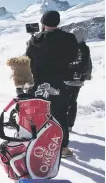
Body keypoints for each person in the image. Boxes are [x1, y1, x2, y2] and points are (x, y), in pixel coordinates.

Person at [25, 10, 78, 158]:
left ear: (43, 23)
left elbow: (28, 59)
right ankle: (63, 148)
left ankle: (36, 143)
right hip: (60, 82)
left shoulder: (36, 40)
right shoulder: (69, 38)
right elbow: (73, 56)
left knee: (37, 113)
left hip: (39, 82)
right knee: (60, 113)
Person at [65, 27, 91, 134]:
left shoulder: (82, 48)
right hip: (71, 79)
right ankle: (67, 124)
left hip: (75, 80)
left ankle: (69, 125)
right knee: (69, 101)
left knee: (70, 102)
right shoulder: (76, 47)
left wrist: (66, 66)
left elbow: (81, 64)